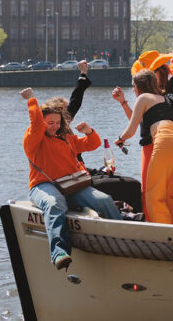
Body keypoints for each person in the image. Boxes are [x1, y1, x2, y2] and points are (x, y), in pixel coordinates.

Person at [21, 88, 121, 269]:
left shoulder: (66, 138)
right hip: (43, 186)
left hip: (70, 186)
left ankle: (123, 236)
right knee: (54, 203)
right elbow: (35, 123)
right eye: (49, 122)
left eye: (57, 122)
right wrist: (31, 100)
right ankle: (59, 252)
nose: (54, 126)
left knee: (104, 200)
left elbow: (93, 144)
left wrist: (88, 130)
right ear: (42, 122)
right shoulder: (33, 139)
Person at [115, 70, 173, 224]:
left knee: (153, 195)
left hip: (164, 140)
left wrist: (120, 139)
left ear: (138, 86)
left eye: (133, 86)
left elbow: (131, 129)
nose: (133, 90)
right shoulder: (164, 99)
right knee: (170, 195)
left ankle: (162, 233)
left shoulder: (143, 97)